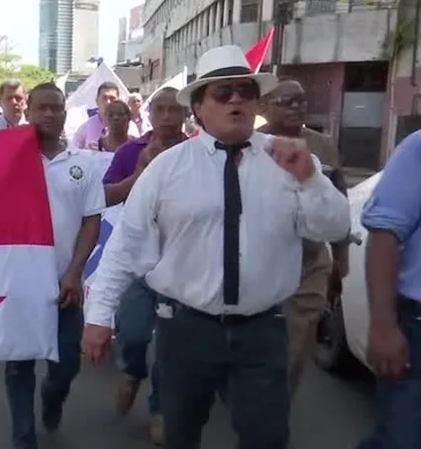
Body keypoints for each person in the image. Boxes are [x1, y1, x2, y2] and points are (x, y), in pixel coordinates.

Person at [82, 45, 351, 449]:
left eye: (245, 91)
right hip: (185, 330)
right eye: (223, 93)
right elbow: (126, 243)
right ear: (199, 107)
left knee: (267, 436)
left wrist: (310, 180)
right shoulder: (167, 169)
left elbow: (336, 225)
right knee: (180, 434)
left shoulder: (289, 160)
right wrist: (99, 316)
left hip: (262, 331)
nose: (237, 99)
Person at [5, 82, 104, 449]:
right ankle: (23, 438)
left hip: (65, 284)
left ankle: (52, 399)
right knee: (19, 366)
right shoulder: (6, 160)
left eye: (56, 108)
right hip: (17, 284)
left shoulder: (82, 163)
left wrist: (75, 273)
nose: (49, 114)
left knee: (66, 366)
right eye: (42, 108)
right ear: (27, 111)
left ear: (66, 113)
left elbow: (92, 220)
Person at [100, 86, 187, 445]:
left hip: (183, 269)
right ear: (148, 116)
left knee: (170, 347)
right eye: (160, 110)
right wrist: (139, 173)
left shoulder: (199, 152)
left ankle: (160, 409)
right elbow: (104, 195)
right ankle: (132, 373)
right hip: (139, 264)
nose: (167, 117)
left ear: (186, 114)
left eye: (174, 110)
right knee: (133, 334)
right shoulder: (130, 151)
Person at [257, 79, 350, 396]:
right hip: (259, 261)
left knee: (296, 343)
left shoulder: (322, 145)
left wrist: (341, 259)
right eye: (287, 101)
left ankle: (276, 409)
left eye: (301, 100)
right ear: (264, 107)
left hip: (309, 262)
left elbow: (339, 201)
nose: (296, 106)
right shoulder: (254, 145)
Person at [356, 130, 421, 449]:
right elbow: (384, 235)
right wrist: (383, 326)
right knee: (403, 438)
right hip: (418, 330)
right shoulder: (418, 149)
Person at [70, 82, 119, 150]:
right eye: (104, 98)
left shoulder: (129, 127)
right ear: (97, 100)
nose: (108, 102)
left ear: (119, 101)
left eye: (112, 98)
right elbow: (73, 152)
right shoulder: (86, 127)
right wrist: (87, 152)